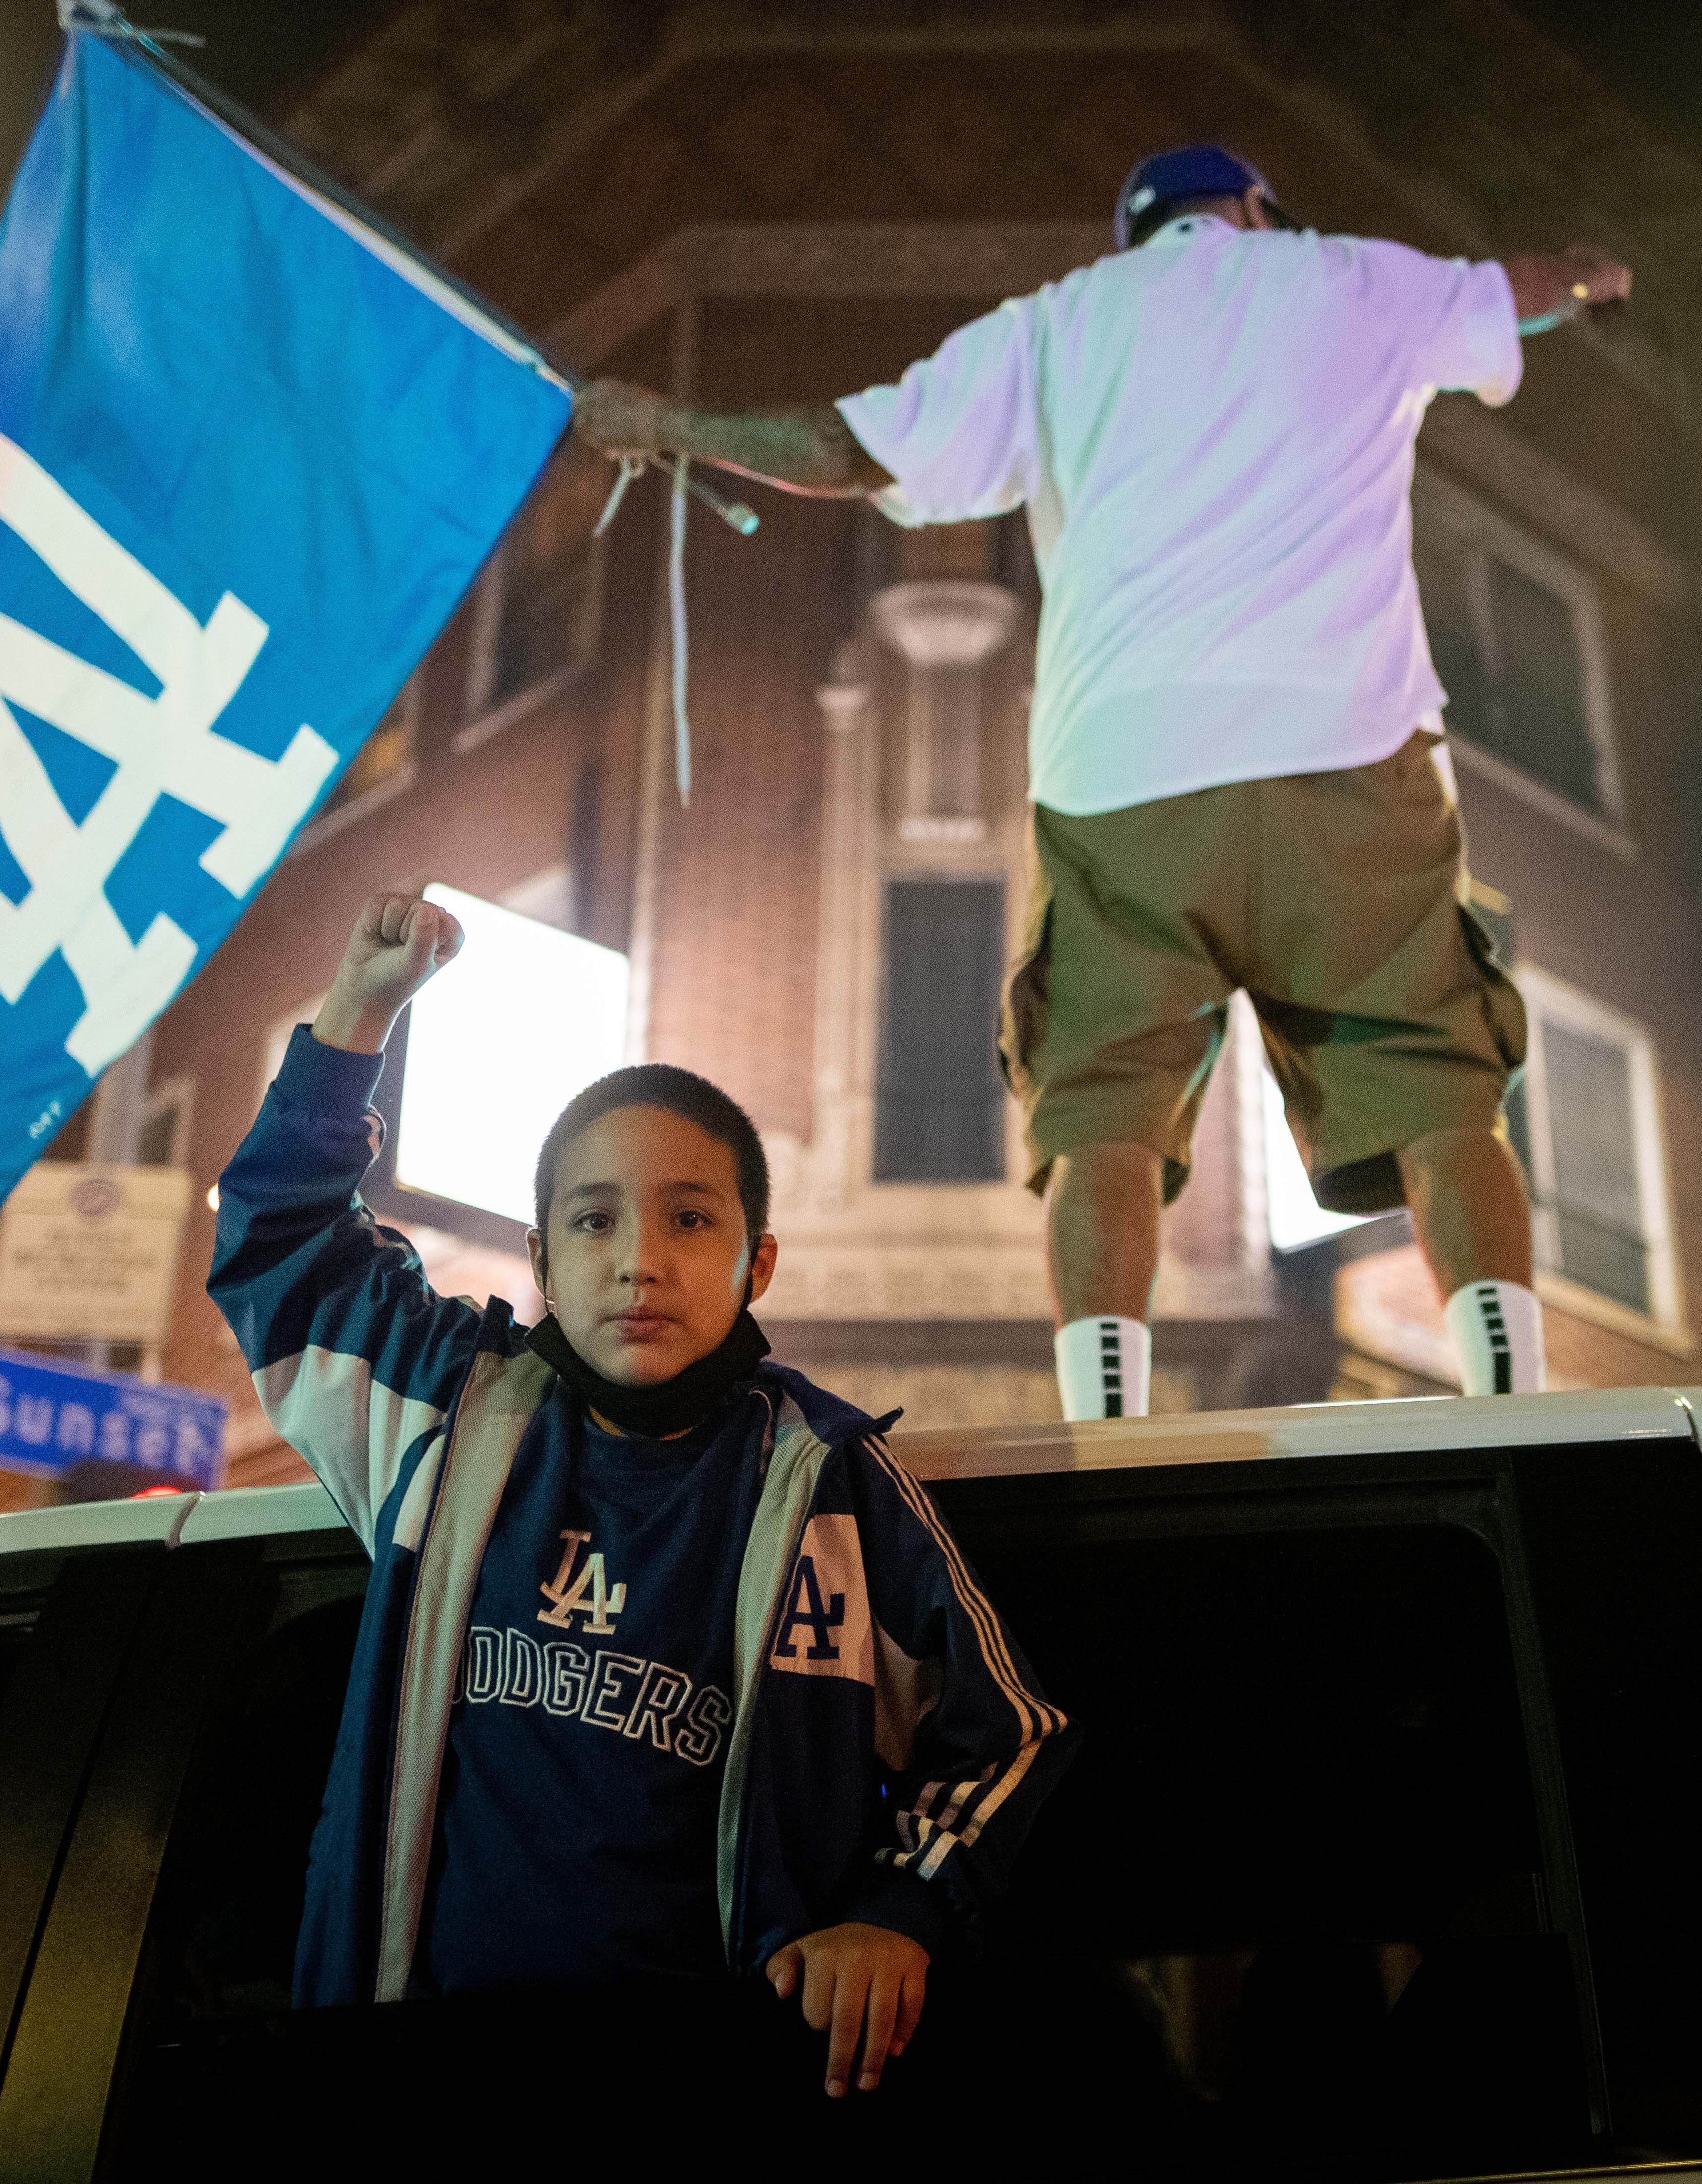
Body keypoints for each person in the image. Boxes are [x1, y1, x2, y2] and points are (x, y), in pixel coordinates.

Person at [571, 144, 1632, 1413]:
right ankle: (1508, 1390)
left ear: (1138, 232)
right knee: (1438, 1081)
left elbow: (838, 445)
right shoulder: (1345, 278)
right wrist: (1583, 275)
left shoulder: (1057, 324)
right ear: (1253, 211)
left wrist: (666, 424)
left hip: (1125, 769)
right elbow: (1508, 289)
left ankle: (1107, 1414)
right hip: (1345, 743)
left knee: (1103, 1114)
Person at [208, 889, 1072, 2096]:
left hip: (712, 2098)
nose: (639, 1259)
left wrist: (899, 1912)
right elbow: (280, 1250)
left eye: (690, 1217)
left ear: (756, 1259)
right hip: (408, 2088)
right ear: (543, 1259)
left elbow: (1010, 1732)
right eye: (595, 1219)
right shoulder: (445, 1413)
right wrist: (361, 1007)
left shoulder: (830, 1480)